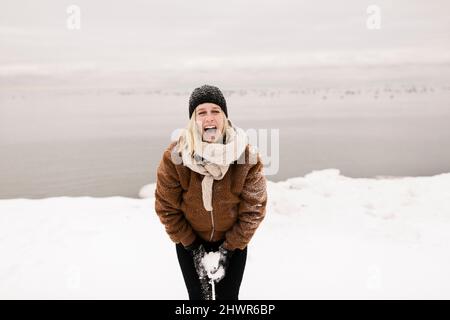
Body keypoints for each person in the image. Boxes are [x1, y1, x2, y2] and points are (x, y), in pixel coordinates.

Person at [155, 84, 267, 300]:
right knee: (199, 302)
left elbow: (254, 209)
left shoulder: (247, 157)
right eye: (201, 113)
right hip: (190, 243)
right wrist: (192, 247)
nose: (209, 118)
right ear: (193, 121)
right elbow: (166, 207)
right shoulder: (175, 157)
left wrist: (229, 248)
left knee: (228, 302)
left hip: (234, 244)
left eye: (215, 111)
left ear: (224, 117)